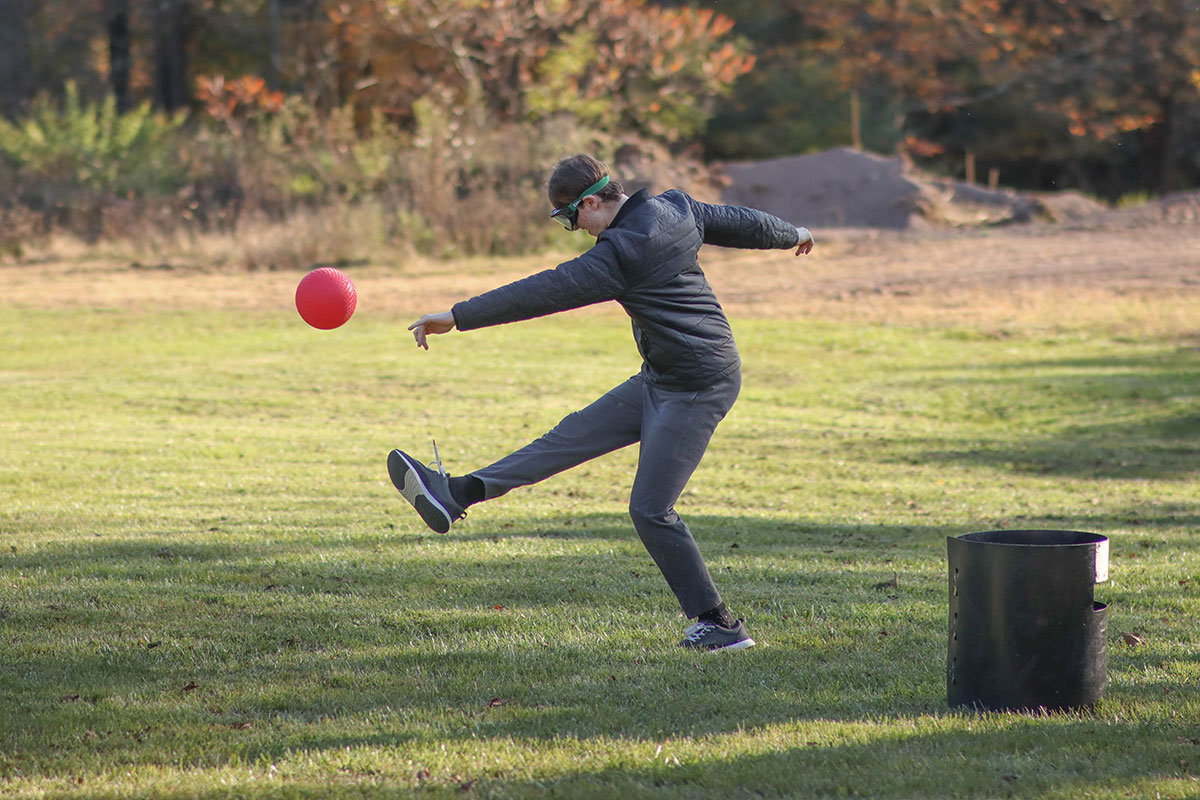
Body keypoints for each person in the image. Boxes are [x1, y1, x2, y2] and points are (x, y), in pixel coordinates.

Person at [389, 153, 814, 652]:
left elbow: (545, 290)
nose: (576, 230)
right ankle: (459, 492)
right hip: (664, 375)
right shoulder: (676, 207)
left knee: (652, 510)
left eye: (572, 219)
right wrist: (794, 232)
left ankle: (719, 624)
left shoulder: (622, 252)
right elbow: (741, 223)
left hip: (698, 384)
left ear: (591, 202)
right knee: (568, 437)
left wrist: (458, 316)